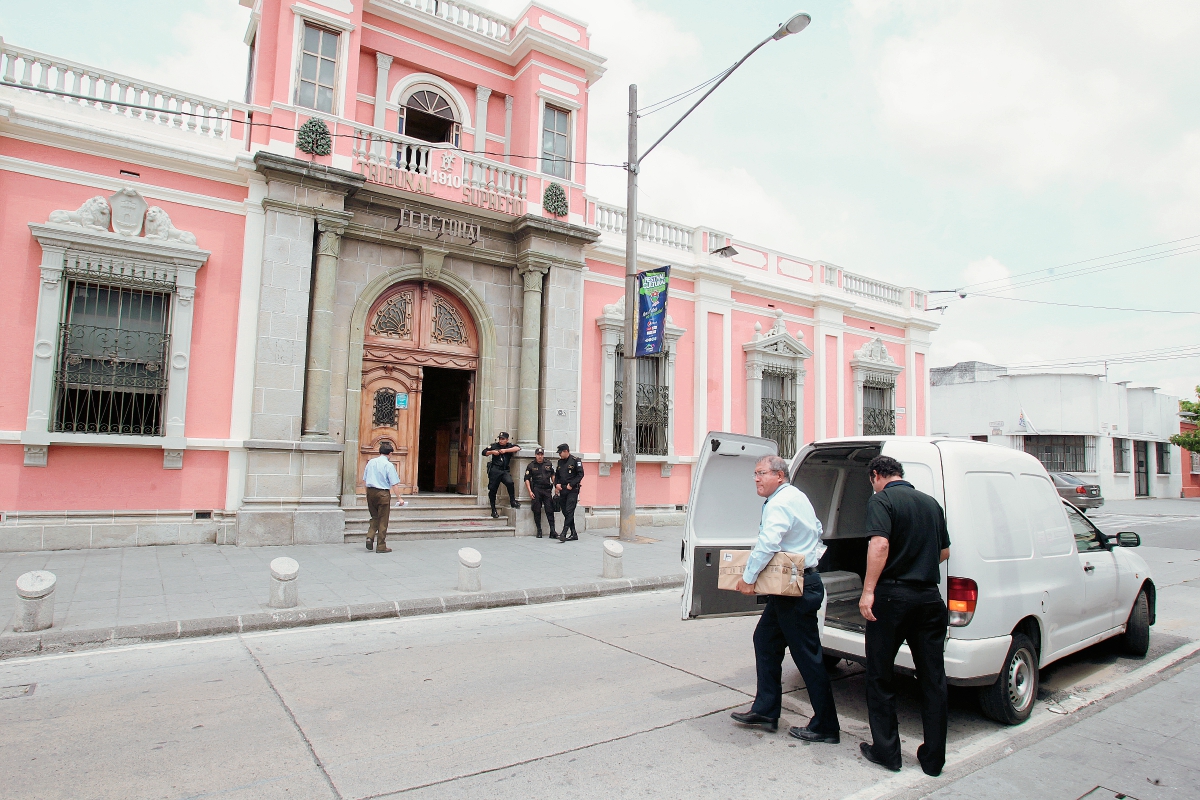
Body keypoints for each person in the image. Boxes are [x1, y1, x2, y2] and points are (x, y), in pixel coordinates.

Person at [730, 455, 840, 743]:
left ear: (779, 475)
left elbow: (769, 542)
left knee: (808, 658)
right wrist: (808, 556)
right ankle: (766, 710)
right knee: (764, 640)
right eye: (754, 473)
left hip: (797, 589)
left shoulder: (779, 502)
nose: (756, 478)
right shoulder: (796, 496)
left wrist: (749, 578)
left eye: (761, 473)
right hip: (791, 586)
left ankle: (826, 725)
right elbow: (816, 529)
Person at [858, 455, 951, 777]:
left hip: (892, 597)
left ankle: (887, 752)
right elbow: (945, 552)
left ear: (875, 475)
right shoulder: (930, 503)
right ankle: (933, 759)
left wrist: (869, 590)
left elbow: (880, 544)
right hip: (929, 598)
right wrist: (919, 567)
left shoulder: (881, 500)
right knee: (933, 679)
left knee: (880, 675)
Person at [362, 441, 406, 553]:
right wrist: (399, 498)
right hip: (383, 494)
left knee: (374, 517)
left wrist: (366, 492)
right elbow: (394, 483)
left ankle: (369, 536)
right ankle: (381, 545)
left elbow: (365, 480)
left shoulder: (371, 462)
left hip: (370, 492)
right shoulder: (388, 465)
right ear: (390, 453)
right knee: (383, 520)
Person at [481, 432, 521, 519]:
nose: (501, 440)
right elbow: (484, 452)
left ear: (507, 439)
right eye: (500, 439)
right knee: (493, 489)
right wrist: (492, 452)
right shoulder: (495, 445)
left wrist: (506, 451)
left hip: (504, 470)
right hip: (495, 470)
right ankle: (493, 509)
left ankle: (512, 501)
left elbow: (518, 448)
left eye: (503, 439)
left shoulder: (509, 446)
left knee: (510, 482)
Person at [523, 447, 557, 539]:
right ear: (535, 455)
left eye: (541, 454)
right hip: (536, 490)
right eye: (538, 454)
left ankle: (552, 531)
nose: (540, 456)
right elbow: (526, 479)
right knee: (536, 510)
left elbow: (553, 475)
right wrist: (530, 491)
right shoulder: (531, 465)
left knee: (550, 510)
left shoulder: (548, 464)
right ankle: (539, 530)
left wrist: (555, 485)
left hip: (547, 490)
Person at [554, 444, 583, 543]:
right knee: (566, 512)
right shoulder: (560, 462)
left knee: (570, 510)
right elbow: (557, 475)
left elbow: (580, 474)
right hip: (563, 489)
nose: (560, 455)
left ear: (566, 451)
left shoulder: (575, 460)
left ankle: (564, 533)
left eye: (561, 453)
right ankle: (574, 533)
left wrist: (572, 484)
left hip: (572, 490)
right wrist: (556, 484)